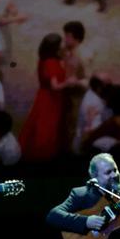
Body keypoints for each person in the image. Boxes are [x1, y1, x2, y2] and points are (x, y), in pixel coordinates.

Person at [18, 33, 76, 162]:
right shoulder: (51, 62)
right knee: (47, 128)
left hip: (45, 96)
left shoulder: (44, 59)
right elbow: (55, 86)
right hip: (51, 99)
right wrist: (69, 82)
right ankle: (43, 156)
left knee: (38, 125)